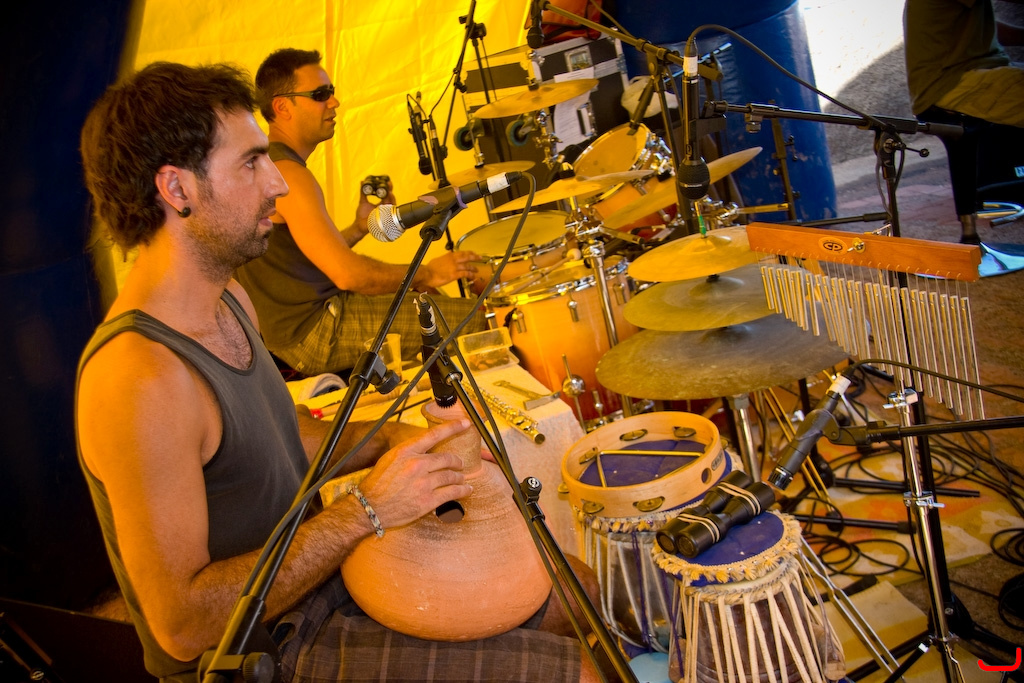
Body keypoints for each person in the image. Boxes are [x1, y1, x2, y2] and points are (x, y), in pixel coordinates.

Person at [76, 61, 603, 682]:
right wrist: (365, 512)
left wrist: (396, 439)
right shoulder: (139, 378)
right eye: (251, 163)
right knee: (575, 670)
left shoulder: (230, 299)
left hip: (312, 585)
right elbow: (184, 625)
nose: (278, 183)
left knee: (576, 590)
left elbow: (284, 438)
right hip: (258, 650)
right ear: (177, 188)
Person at [234, 48, 485, 378]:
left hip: (306, 325)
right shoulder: (289, 174)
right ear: (282, 107)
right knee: (477, 322)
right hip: (317, 329)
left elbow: (308, 260)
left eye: (331, 92)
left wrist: (359, 226)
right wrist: (428, 273)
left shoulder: (274, 164)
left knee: (429, 299)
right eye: (320, 95)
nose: (334, 102)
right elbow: (348, 275)